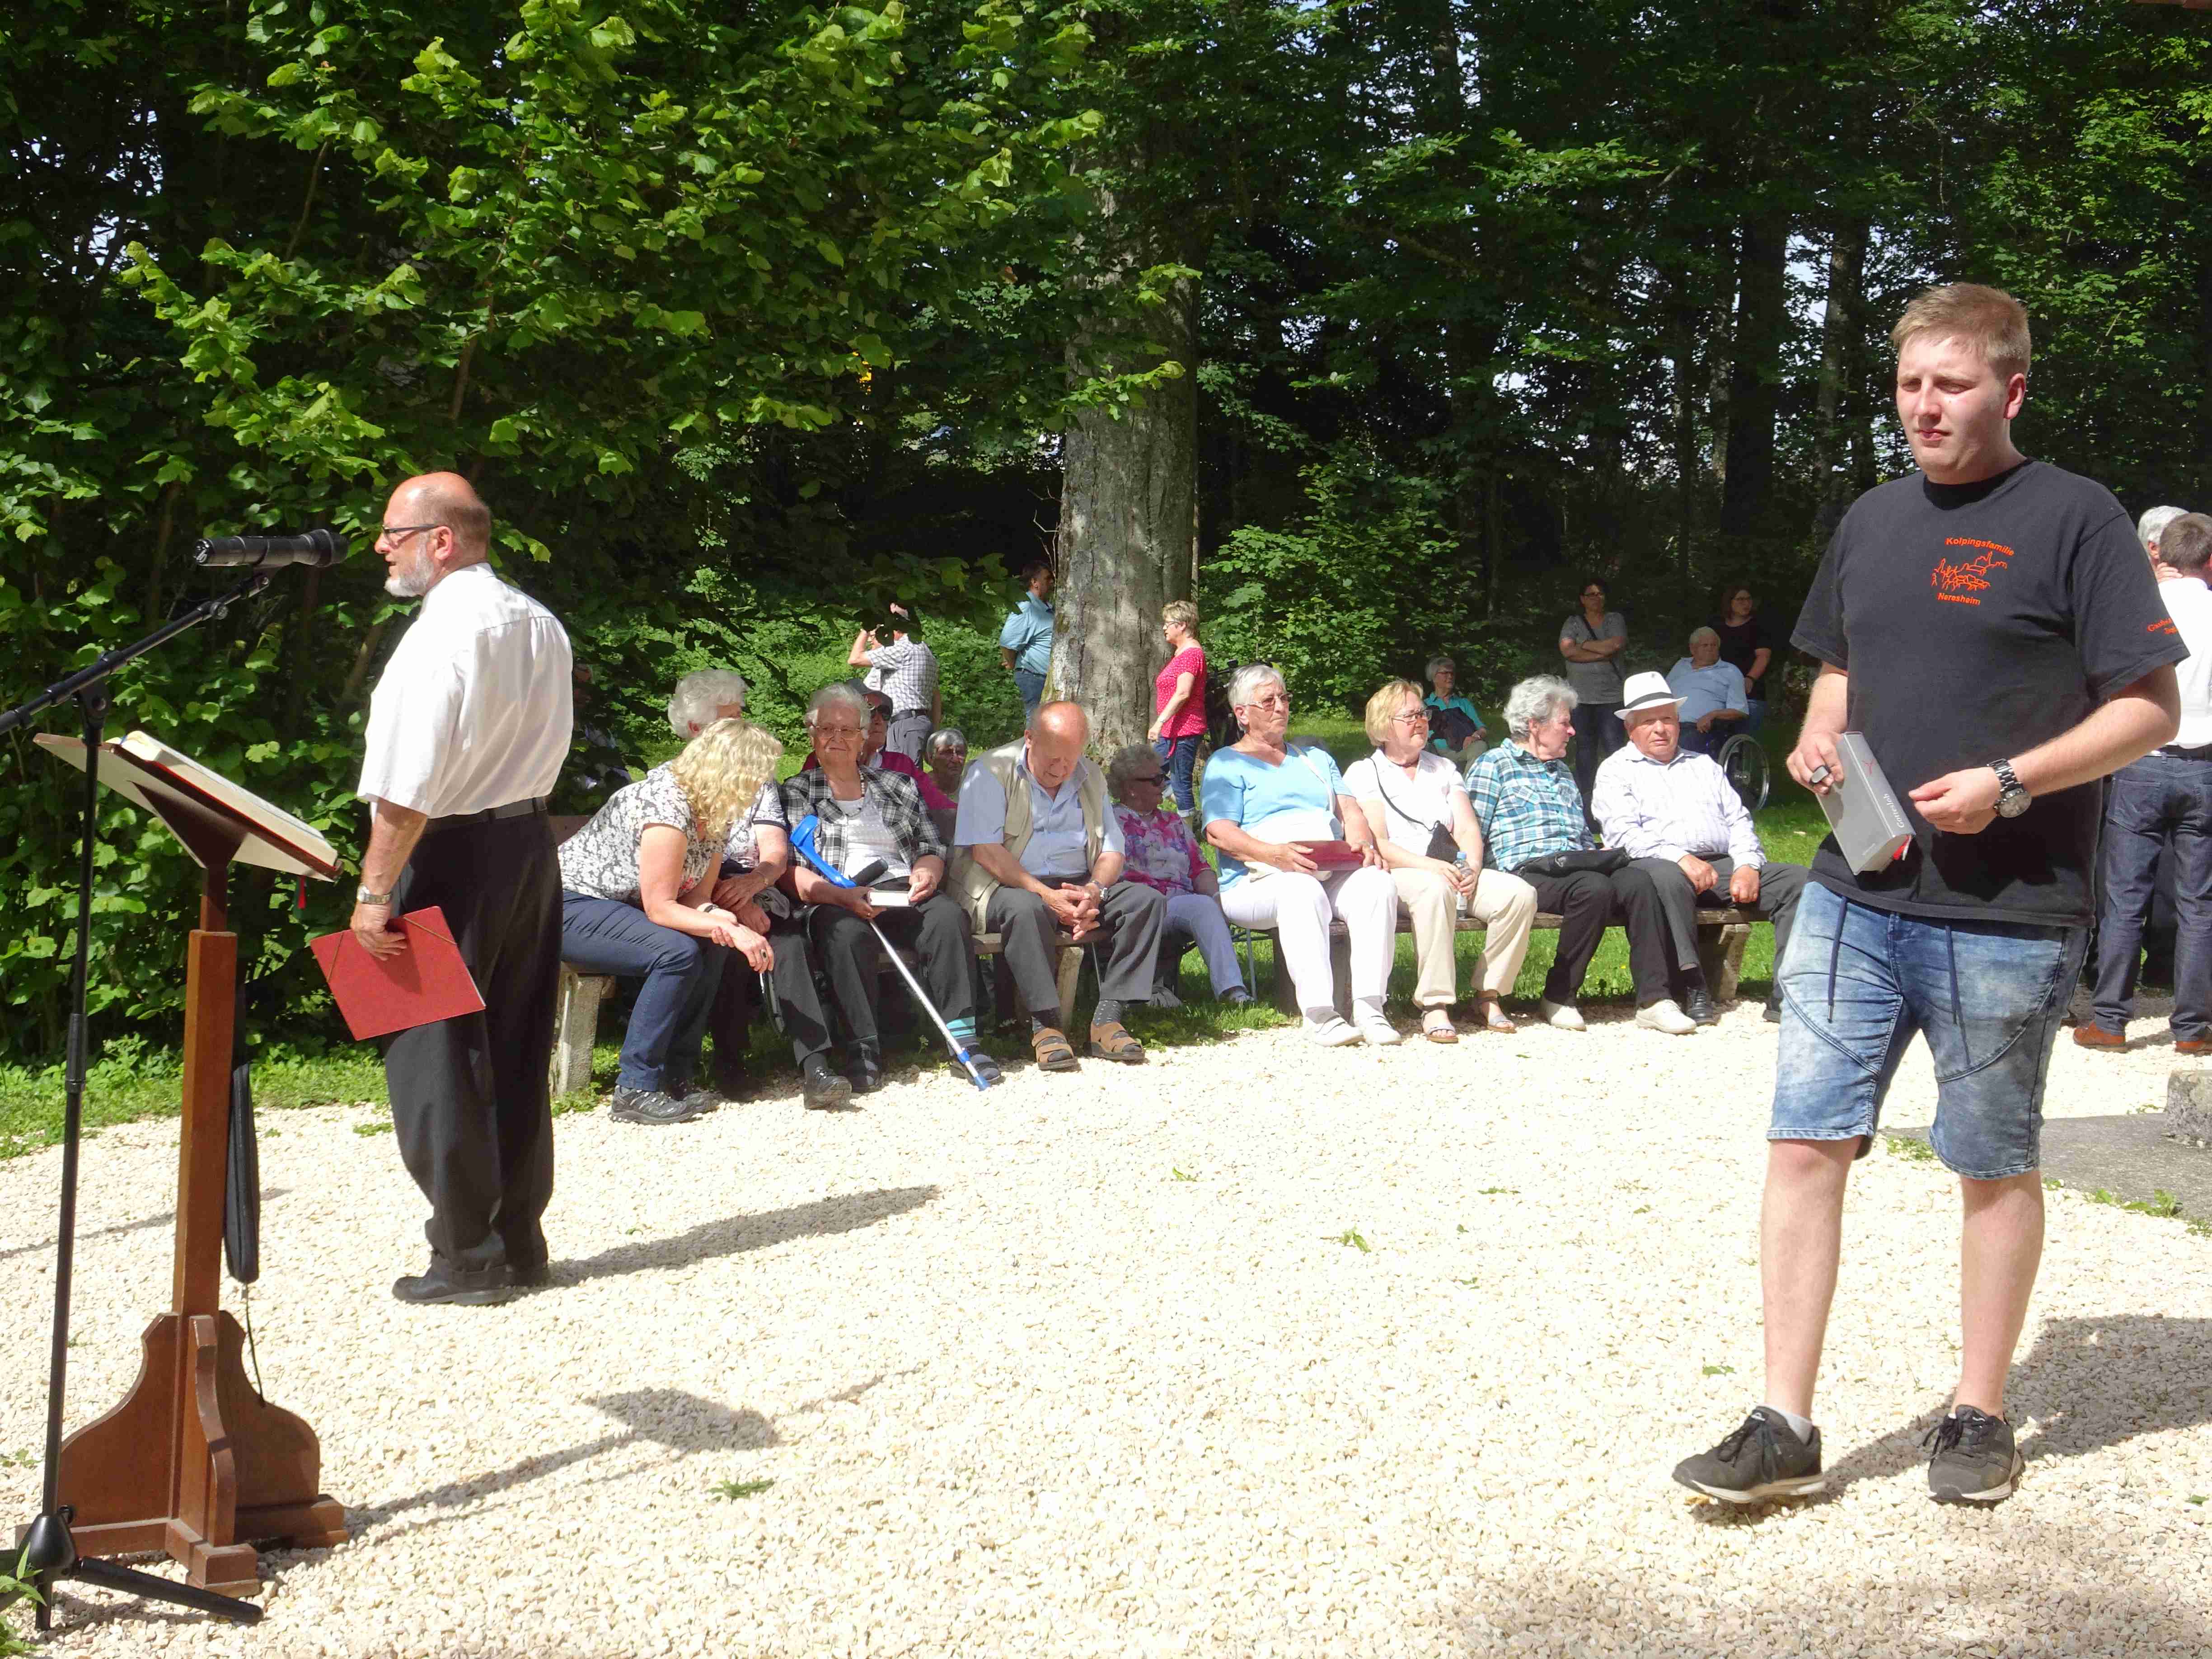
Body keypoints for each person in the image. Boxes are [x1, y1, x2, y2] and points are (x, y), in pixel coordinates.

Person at [1674, 283, 2183, 1510]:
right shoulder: (1872, 517)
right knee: (1805, 1142)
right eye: (1909, 384)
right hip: (1855, 890)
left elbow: (2149, 710)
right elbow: (1838, 671)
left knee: (1989, 1162)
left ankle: (1980, 1410)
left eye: (1950, 384)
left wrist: (2011, 783)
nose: (1924, 407)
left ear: (2012, 388)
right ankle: (1784, 1420)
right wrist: (1819, 732)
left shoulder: (2076, 518)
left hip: (2006, 911)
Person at [351, 472, 573, 1307]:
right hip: (527, 845)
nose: (381, 547)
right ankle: (518, 1239)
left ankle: (466, 1256)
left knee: (431, 1054)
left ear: (441, 541)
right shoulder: (539, 622)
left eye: (394, 533)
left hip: (447, 850)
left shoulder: (439, 636)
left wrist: (375, 892)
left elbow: (405, 788)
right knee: (516, 1045)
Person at [558, 718, 787, 1121]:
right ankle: (635, 1086)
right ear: (729, 772)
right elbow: (661, 908)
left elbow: (697, 898)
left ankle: (677, 1077)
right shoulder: (666, 803)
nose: (759, 787)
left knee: (713, 941)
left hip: (622, 908)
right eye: (755, 776)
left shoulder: (715, 812)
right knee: (676, 952)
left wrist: (723, 922)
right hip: (570, 906)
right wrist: (733, 927)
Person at [782, 684, 998, 1092]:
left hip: (901, 888)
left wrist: (928, 872)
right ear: (811, 734)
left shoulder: (898, 785)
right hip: (836, 895)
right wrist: (839, 896)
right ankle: (862, 1047)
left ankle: (964, 1039)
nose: (837, 738)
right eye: (826, 728)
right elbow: (789, 870)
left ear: (864, 737)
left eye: (848, 730)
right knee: (842, 934)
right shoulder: (796, 792)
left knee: (948, 917)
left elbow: (931, 846)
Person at [1466, 675, 1689, 1034]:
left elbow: (1582, 834)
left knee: (1638, 881)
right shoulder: (1494, 765)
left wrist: (1597, 852)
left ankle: (1655, 999)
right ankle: (1559, 995)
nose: (1572, 732)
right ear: (1535, 726)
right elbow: (1470, 829)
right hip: (1524, 872)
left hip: (1575, 865)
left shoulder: (1562, 772)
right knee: (1593, 888)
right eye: (1565, 723)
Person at [951, 702, 1165, 1070]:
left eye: (1071, 758)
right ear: (1029, 739)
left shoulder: (1089, 775)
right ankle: (1046, 1026)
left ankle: (1109, 1018)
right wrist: (1046, 895)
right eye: (1053, 758)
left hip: (1078, 883)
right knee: (1027, 908)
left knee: (1146, 901)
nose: (1061, 769)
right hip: (1002, 884)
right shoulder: (990, 771)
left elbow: (1112, 849)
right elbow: (986, 851)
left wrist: (1094, 891)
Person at [1591, 672, 1807, 1026]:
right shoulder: (1616, 771)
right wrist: (1681, 858)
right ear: (1630, 729)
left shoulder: (1704, 765)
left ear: (1678, 723)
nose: (1660, 729)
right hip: (1655, 866)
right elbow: (1624, 834)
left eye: (1667, 719)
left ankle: (1789, 995)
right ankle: (1693, 984)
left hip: (1721, 867)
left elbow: (1739, 820)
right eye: (1648, 722)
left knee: (1800, 883)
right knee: (1668, 878)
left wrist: (1747, 865)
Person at [1200, 665, 1398, 1046]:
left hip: (1327, 870)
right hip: (1256, 881)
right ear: (1242, 714)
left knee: (1378, 885)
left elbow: (1350, 812)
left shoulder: (1316, 759)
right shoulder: (1226, 763)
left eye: (1284, 698)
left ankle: (1371, 1008)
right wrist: (1274, 855)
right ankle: (1321, 1015)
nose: (1280, 707)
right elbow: (1218, 832)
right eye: (1268, 701)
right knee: (1300, 890)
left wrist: (1362, 845)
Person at [2078, 510, 2212, 1054]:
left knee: (2125, 895)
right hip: (2205, 766)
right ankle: (2193, 1029)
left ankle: (2110, 1020)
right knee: (2199, 902)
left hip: (2142, 759)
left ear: (2160, 553)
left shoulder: (2141, 607)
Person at [1341, 680, 1536, 1041]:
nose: (1422, 721)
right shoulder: (1364, 773)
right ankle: (1435, 1002)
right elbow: (1378, 842)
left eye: (1424, 714)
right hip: (1401, 872)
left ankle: (1489, 994)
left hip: (1452, 868)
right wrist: (1430, 867)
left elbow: (1467, 828)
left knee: (1518, 895)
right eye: (1410, 716)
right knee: (1434, 889)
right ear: (1384, 725)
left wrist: (1472, 867)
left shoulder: (1444, 768)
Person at [1106, 744, 1252, 1010]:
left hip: (1180, 903)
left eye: (1163, 777)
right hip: (1139, 907)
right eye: (1155, 780)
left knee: (1206, 905)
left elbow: (1199, 869)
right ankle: (1232, 991)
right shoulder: (1112, 821)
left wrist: (1217, 898)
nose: (1164, 784)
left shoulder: (1173, 822)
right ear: (1131, 787)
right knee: (1201, 907)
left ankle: (1233, 991)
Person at [802, 685, 955, 812]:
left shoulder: (901, 765)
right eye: (870, 711)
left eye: (885, 713)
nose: (879, 720)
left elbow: (942, 806)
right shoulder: (821, 760)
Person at [1558, 576, 1627, 811]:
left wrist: (1584, 645)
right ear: (1582, 599)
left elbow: (1615, 645)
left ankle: (1619, 794)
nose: (1596, 598)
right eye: (1591, 594)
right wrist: (1601, 652)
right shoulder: (1573, 622)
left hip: (1611, 696)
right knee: (1585, 748)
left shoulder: (1614, 619)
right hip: (1580, 698)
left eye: (1600, 594)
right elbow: (1568, 651)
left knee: (1614, 747)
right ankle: (1585, 796)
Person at [848, 603, 941, 766]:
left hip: (904, 724)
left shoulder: (903, 648)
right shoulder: (924, 650)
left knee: (902, 774)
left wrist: (866, 627)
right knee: (905, 772)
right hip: (916, 722)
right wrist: (934, 730)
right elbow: (936, 696)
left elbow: (855, 659)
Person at [1147, 600, 1208, 816]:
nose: (1164, 627)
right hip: (1171, 730)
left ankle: (1188, 831)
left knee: (1181, 782)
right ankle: (1193, 815)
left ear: (1182, 625)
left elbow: (1183, 693)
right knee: (1150, 772)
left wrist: (1159, 722)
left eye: (1168, 623)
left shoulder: (1191, 655)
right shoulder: (1181, 654)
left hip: (1185, 730)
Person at [1664, 628, 1750, 756]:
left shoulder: (1730, 671)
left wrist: (1713, 715)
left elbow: (1741, 711)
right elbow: (1664, 693)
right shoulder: (1681, 665)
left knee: (1680, 746)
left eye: (1714, 645)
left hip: (1697, 728)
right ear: (1693, 649)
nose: (1710, 649)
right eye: (1705, 645)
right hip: (1668, 723)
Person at [1712, 585, 1774, 733]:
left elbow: (1763, 656)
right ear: (1730, 602)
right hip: (1721, 690)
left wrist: (1750, 679)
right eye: (1740, 600)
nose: (1746, 604)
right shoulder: (1717, 627)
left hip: (1749, 692)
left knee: (1744, 738)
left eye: (1748, 599)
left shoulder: (1759, 626)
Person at [999, 557, 1056, 714]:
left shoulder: (1046, 607)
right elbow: (1007, 642)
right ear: (1034, 582)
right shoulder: (1026, 607)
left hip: (1045, 678)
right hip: (1034, 678)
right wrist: (1012, 663)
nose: (1052, 582)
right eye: (1048, 579)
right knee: (1036, 722)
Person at [1423, 655, 1489, 766]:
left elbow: (1482, 729)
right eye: (1445, 673)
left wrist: (1476, 736)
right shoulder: (1425, 705)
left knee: (1481, 746)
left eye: (1452, 674)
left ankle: (1469, 777)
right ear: (1434, 678)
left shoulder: (1463, 703)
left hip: (1462, 750)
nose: (1450, 676)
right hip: (1435, 753)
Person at [925, 727, 969, 804]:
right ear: (931, 758)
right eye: (947, 753)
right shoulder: (918, 791)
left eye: (960, 753)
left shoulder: (972, 789)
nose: (955, 760)